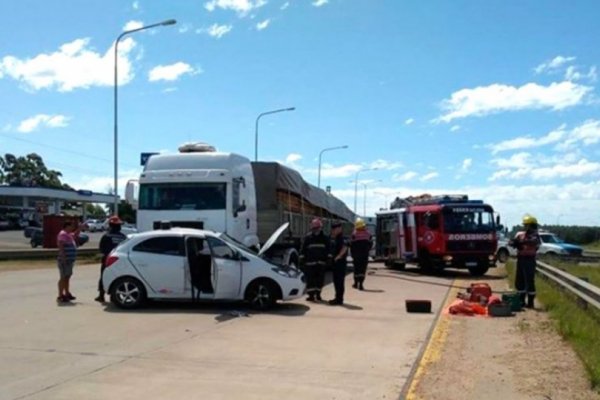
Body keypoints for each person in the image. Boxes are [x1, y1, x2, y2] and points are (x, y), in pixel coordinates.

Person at [510, 214, 541, 309]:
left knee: (529, 280)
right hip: (521, 259)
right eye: (525, 225)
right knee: (520, 281)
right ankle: (521, 301)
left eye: (528, 225)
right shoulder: (520, 234)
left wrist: (521, 243)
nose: (526, 227)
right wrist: (514, 243)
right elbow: (512, 242)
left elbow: (535, 243)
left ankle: (530, 302)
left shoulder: (535, 236)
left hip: (529, 260)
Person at [96, 216, 127, 302]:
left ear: (110, 225)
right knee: (119, 278)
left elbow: (101, 249)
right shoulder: (123, 237)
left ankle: (101, 295)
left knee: (104, 276)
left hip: (107, 259)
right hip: (120, 260)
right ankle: (114, 296)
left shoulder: (106, 236)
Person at [299, 218, 330, 302]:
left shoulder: (325, 238)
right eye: (314, 228)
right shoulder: (308, 237)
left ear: (320, 228)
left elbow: (329, 250)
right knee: (310, 280)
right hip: (310, 263)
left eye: (317, 228)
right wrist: (301, 260)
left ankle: (318, 294)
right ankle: (311, 296)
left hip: (321, 263)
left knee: (320, 280)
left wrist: (328, 260)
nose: (316, 230)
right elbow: (303, 249)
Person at [56, 220, 81, 303]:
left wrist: (80, 228)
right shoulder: (63, 234)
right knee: (63, 277)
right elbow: (60, 245)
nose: (73, 228)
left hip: (69, 260)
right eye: (71, 226)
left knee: (67, 277)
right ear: (67, 226)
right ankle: (60, 295)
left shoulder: (68, 235)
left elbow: (75, 234)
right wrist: (63, 257)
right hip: (64, 260)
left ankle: (67, 293)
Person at [329, 221, 349, 306]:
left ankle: (339, 299)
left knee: (339, 281)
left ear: (339, 228)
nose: (333, 230)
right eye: (332, 229)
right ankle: (337, 298)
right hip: (336, 263)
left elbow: (345, 247)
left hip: (340, 262)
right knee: (336, 281)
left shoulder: (342, 237)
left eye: (335, 229)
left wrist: (338, 257)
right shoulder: (336, 237)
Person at [350, 218, 372, 290]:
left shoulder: (354, 234)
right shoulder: (368, 234)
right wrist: (367, 250)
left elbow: (351, 245)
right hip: (364, 255)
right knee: (362, 270)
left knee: (356, 269)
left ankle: (356, 283)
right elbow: (371, 243)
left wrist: (352, 254)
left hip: (356, 256)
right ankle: (361, 284)